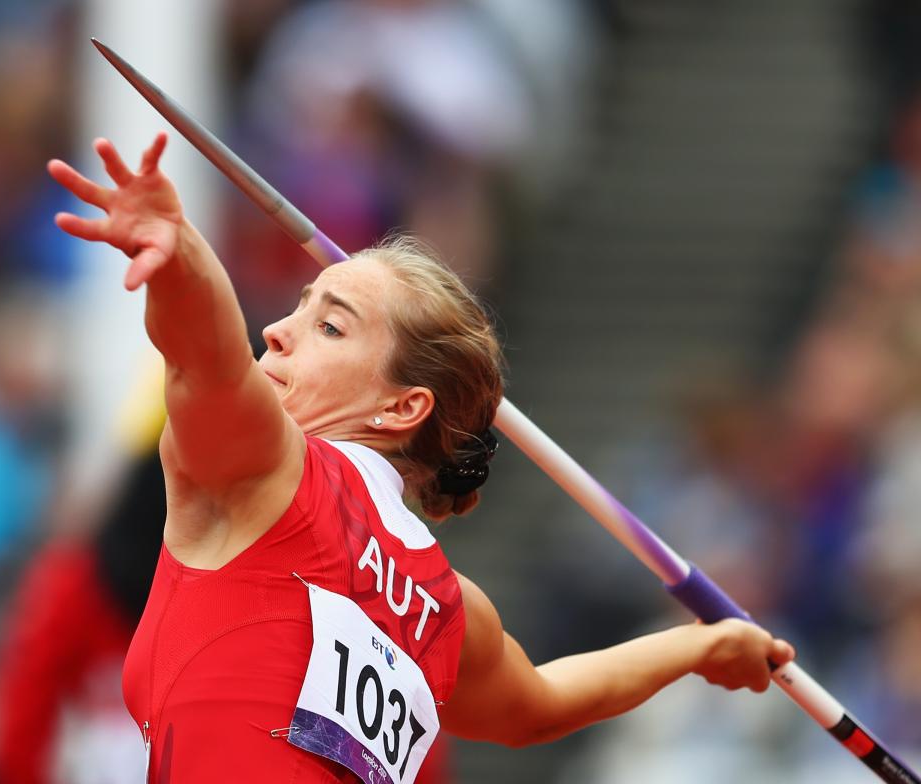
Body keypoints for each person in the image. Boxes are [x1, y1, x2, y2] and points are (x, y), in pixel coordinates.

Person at [46, 134, 796, 783]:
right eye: (300, 306)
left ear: (404, 407)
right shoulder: (447, 607)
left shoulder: (270, 475)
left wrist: (179, 256)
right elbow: (539, 704)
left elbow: (206, 355)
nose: (276, 331)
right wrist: (697, 649)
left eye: (331, 326)